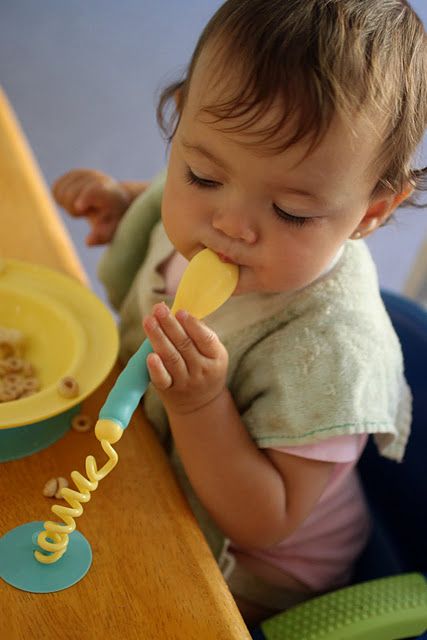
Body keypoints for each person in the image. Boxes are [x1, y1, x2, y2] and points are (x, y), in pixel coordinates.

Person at [52, 0, 427, 625]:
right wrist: (125, 203)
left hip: (262, 567)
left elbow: (268, 520)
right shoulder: (228, 202)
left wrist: (200, 406)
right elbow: (218, 191)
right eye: (200, 175)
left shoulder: (331, 350)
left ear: (368, 214)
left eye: (291, 213)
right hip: (149, 460)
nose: (229, 226)